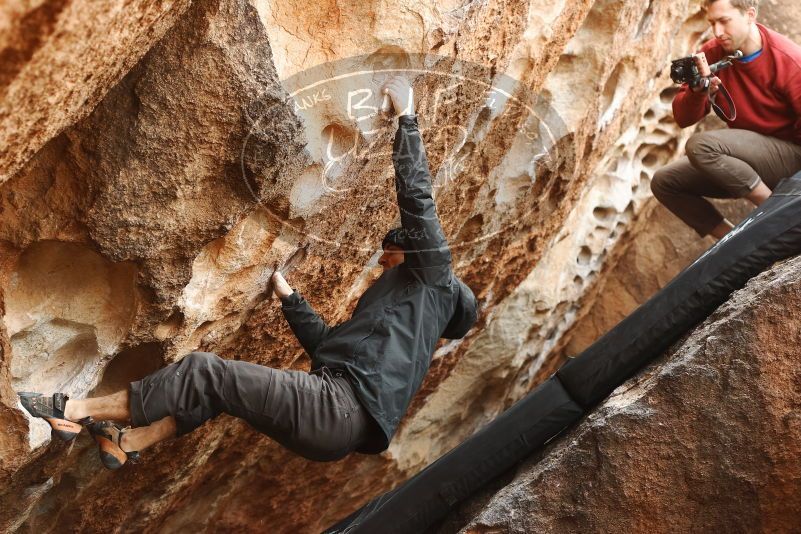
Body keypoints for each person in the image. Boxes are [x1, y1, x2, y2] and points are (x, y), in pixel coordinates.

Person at [18, 76, 478, 469]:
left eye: (391, 254)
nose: (382, 261)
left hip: (332, 408)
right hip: (333, 426)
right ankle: (128, 442)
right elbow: (328, 348)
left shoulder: (435, 277)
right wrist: (290, 300)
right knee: (219, 394)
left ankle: (72, 410)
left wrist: (408, 118)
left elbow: (419, 203)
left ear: (413, 255)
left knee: (205, 372)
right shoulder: (404, 333)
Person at [651, 0, 801, 240]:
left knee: (701, 146)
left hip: (792, 159)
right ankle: (733, 240)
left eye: (724, 21)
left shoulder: (788, 59)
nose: (718, 32)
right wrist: (698, 93)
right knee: (665, 182)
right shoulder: (712, 53)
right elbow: (682, 118)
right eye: (712, 23)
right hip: (747, 159)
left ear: (750, 15)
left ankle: (781, 214)